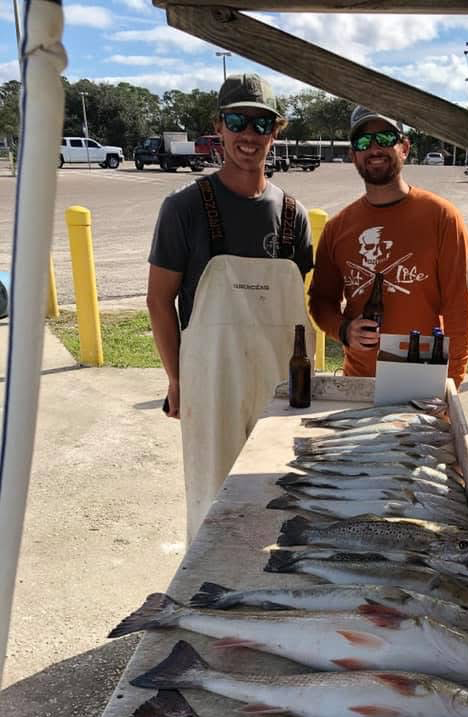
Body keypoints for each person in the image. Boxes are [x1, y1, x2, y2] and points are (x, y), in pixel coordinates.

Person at [147, 73, 314, 542]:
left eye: (261, 124)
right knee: (212, 499)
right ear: (218, 127)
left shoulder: (292, 214)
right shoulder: (184, 208)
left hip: (279, 381)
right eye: (237, 120)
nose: (249, 135)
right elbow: (159, 300)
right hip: (211, 379)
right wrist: (178, 378)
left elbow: (293, 307)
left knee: (283, 495)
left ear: (276, 132)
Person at [308, 105, 468, 386]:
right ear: (353, 155)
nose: (374, 148)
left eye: (385, 138)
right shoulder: (338, 228)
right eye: (363, 142)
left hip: (422, 380)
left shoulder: (442, 218)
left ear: (405, 147)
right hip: (359, 382)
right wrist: (344, 330)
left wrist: (451, 384)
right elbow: (321, 300)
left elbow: (460, 311)